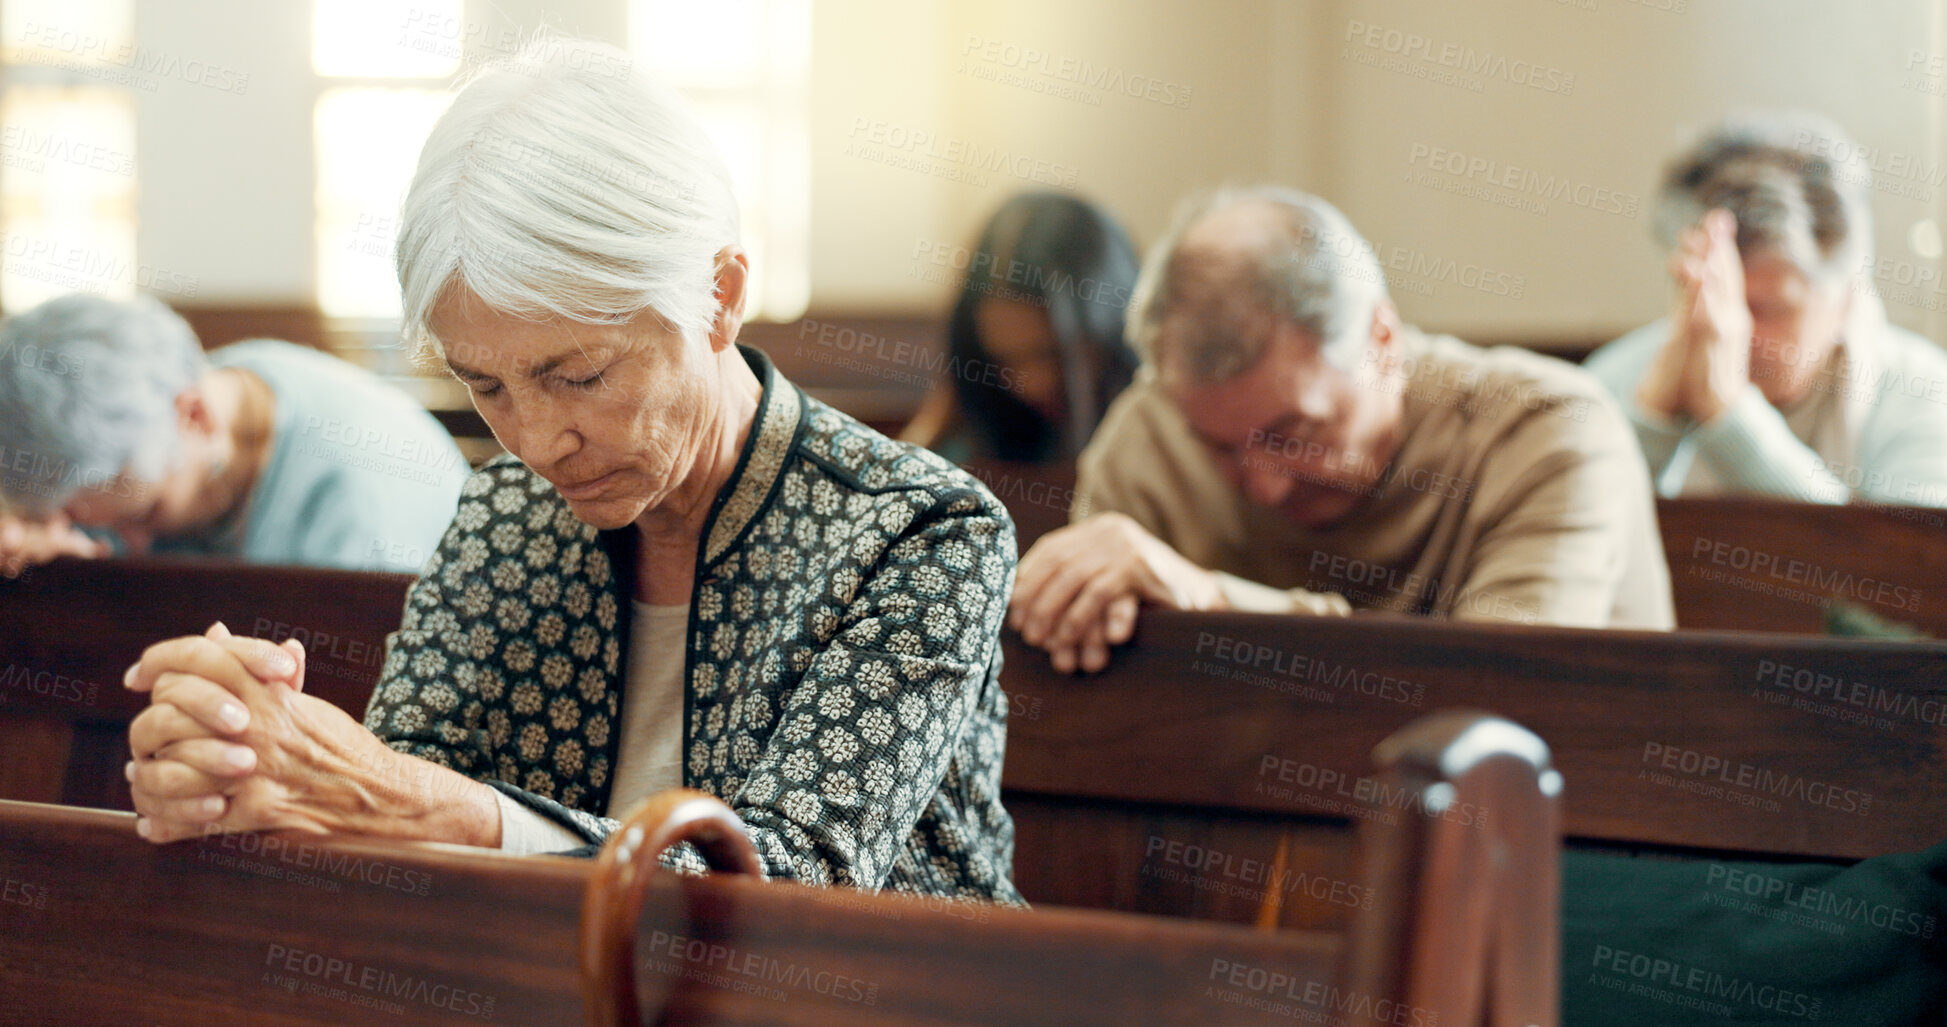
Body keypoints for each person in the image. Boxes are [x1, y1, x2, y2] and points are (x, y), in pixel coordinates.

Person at [119, 38, 1024, 904]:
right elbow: (400, 781)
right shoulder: (509, 509)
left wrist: (408, 801)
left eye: (580, 374)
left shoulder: (917, 530)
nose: (537, 441)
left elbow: (786, 888)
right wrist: (243, 763)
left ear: (720, 297)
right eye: (486, 386)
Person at [1010, 186, 1674, 674]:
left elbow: (1500, 701)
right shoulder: (1152, 434)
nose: (1264, 487)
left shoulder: (1548, 431)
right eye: (1217, 447)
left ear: (1381, 339)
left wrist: (1209, 599)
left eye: (1293, 431)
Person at [1583, 112, 1947, 506]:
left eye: (1769, 309)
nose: (1726, 328)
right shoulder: (1610, 383)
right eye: (1715, 293)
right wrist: (1652, 418)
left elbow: (1902, 562)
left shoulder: (1925, 396)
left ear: (1846, 297)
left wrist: (1729, 413)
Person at [0, 293, 467, 574]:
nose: (130, 547)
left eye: (145, 518)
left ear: (196, 416)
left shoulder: (365, 515)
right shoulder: (167, 400)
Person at [900, 191, 1140, 463]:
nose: (1031, 385)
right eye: (1003, 361)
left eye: (1049, 354)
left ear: (1110, 326)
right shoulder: (971, 430)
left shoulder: (1159, 437)